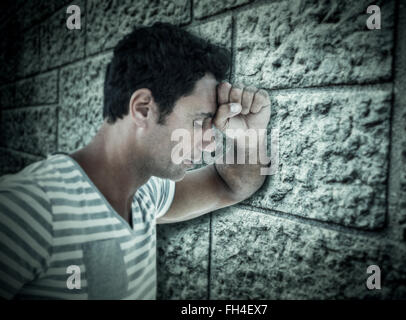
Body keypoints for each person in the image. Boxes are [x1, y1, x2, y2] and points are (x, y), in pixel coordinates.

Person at [0, 22, 271, 299]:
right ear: (143, 109)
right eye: (200, 121)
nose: (211, 141)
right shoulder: (30, 207)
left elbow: (231, 186)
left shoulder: (146, 192)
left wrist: (250, 138)